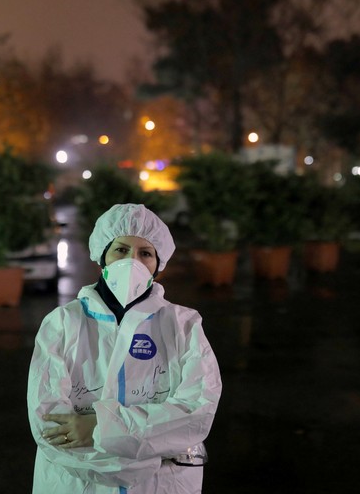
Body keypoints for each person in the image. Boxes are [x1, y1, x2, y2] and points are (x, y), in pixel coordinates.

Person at [27, 203, 222, 493]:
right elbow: (50, 425)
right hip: (76, 483)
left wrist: (98, 429)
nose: (132, 262)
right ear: (101, 257)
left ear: (159, 264)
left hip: (161, 485)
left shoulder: (184, 325)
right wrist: (147, 455)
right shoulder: (63, 323)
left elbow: (196, 412)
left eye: (145, 253)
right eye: (121, 250)